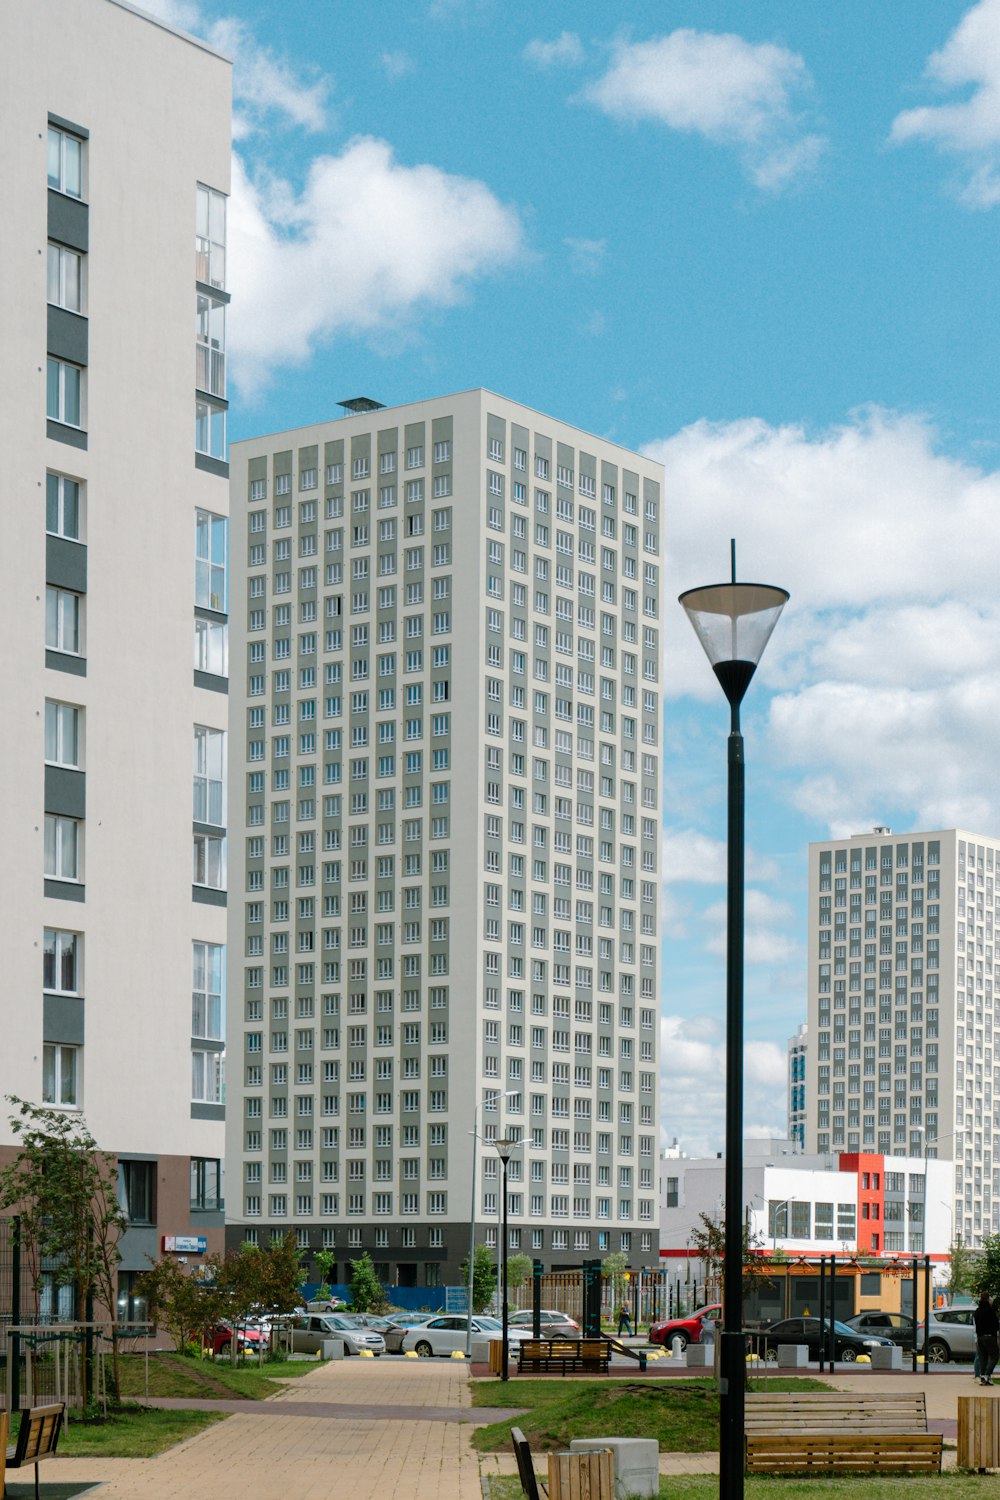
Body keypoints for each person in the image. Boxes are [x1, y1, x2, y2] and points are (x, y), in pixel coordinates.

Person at [974, 1290, 999, 1386]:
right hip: (989, 1336)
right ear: (988, 1299)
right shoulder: (990, 1311)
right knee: (995, 1356)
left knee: (983, 1358)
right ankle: (987, 1375)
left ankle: (983, 1377)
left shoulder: (977, 1311)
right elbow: (995, 1325)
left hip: (980, 1337)